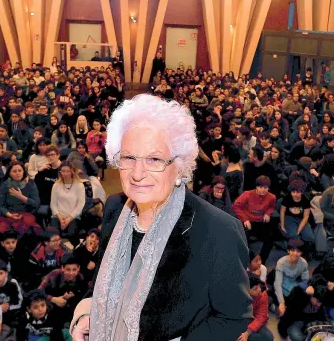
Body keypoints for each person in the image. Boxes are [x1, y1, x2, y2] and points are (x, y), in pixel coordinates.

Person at [71, 94, 251, 340]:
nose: (137, 173)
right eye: (129, 158)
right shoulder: (114, 208)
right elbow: (103, 280)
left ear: (180, 166)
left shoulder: (218, 231)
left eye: (154, 159)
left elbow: (233, 317)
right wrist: (87, 314)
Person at [232, 176, 276, 264]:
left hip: (260, 222)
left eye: (265, 188)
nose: (263, 190)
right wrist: (245, 219)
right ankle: (248, 260)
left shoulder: (272, 197)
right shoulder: (247, 194)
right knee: (243, 240)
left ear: (268, 188)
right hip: (247, 221)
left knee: (270, 239)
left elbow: (271, 207)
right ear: (256, 187)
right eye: (260, 187)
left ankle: (261, 261)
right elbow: (235, 206)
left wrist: (268, 213)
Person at [0, 161, 41, 237]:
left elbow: (36, 203)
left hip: (25, 214)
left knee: (23, 232)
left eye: (20, 170)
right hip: (9, 214)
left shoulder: (30, 183)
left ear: (23, 172)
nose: (17, 173)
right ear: (9, 173)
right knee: (2, 232)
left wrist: (21, 197)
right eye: (14, 171)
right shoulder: (5, 185)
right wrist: (9, 215)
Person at [39, 254, 87, 325]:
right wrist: (53, 299)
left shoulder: (80, 278)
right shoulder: (54, 275)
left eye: (74, 270)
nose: (71, 273)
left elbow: (86, 295)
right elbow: (38, 291)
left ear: (78, 268)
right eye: (68, 269)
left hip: (69, 310)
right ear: (62, 268)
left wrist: (73, 295)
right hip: (51, 308)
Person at [273, 239, 309, 317]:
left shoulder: (304, 263)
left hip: (293, 287)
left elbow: (305, 280)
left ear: (301, 253)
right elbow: (278, 284)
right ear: (288, 251)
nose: (295, 254)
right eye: (293, 250)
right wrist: (281, 303)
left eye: (298, 251)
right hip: (281, 288)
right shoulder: (281, 262)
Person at [50, 161, 86, 241]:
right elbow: (53, 204)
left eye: (68, 171)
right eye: (63, 171)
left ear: (72, 172)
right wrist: (60, 218)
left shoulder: (79, 185)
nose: (65, 174)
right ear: (60, 172)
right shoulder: (56, 185)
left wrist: (69, 219)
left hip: (73, 216)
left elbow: (80, 204)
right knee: (54, 235)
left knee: (71, 234)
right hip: (58, 216)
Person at [237, 273, 273, 341]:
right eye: (255, 288)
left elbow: (261, 316)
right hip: (238, 320)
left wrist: (247, 332)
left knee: (269, 337)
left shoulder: (262, 293)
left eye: (258, 286)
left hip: (253, 319)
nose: (259, 289)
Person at [280, 180, 315, 245]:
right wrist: (282, 225)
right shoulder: (287, 198)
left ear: (302, 192)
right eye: (293, 192)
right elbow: (282, 212)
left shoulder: (306, 200)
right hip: (289, 217)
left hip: (301, 218)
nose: (295, 194)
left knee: (310, 237)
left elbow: (306, 216)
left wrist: (299, 229)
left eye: (298, 192)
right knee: (294, 236)